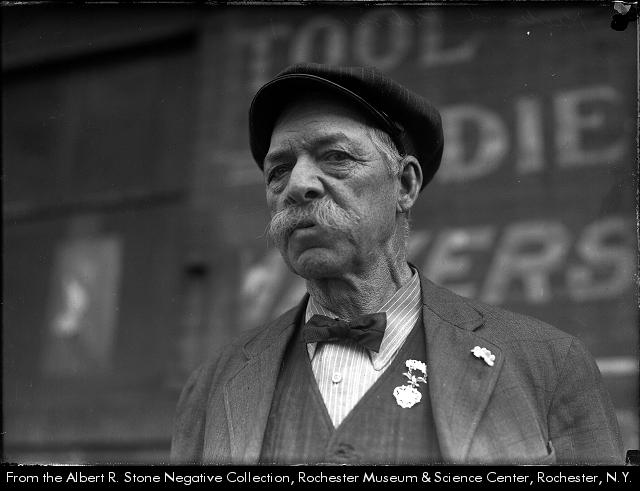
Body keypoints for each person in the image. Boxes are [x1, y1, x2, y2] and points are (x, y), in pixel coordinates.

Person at [170, 63, 623, 464]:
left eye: (336, 157)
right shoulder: (212, 387)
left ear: (404, 184)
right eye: (278, 170)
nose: (298, 185)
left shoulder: (548, 363)